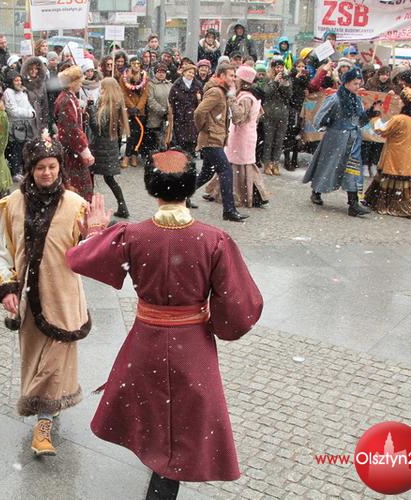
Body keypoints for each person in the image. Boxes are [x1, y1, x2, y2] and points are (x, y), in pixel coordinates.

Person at [66, 151, 263, 500]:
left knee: (153, 408)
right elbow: (239, 307)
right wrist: (216, 319)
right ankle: (164, 482)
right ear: (190, 186)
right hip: (193, 343)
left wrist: (95, 230)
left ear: (150, 187)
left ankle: (158, 465)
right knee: (185, 416)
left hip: (146, 340)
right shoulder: (213, 239)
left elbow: (84, 258)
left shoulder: (133, 235)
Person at [0, 136, 91, 457]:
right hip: (28, 298)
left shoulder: (75, 204)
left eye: (52, 166)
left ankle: (43, 423)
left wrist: (95, 234)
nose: (47, 173)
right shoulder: (12, 204)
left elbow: (87, 255)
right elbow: (2, 249)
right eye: (40, 167)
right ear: (30, 169)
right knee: (35, 360)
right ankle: (48, 409)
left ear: (60, 168)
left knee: (55, 360)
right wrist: (7, 287)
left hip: (63, 297)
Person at [303, 68, 381, 217]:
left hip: (353, 140)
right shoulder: (334, 99)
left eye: (359, 83)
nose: (358, 86)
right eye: (355, 83)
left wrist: (371, 113)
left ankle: (353, 203)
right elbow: (319, 118)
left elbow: (358, 121)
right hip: (335, 139)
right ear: (346, 83)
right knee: (328, 165)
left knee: (352, 169)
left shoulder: (356, 100)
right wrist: (330, 126)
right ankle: (316, 191)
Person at [194, 64, 248, 221]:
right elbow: (199, 112)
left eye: (235, 76)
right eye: (231, 75)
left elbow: (233, 116)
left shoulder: (223, 91)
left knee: (206, 173)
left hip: (216, 138)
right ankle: (229, 210)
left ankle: (180, 195)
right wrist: (204, 128)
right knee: (226, 171)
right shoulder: (216, 92)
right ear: (222, 75)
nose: (234, 79)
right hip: (211, 139)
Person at [363, 88, 411, 218]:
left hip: (394, 154)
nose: (399, 101)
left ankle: (386, 204)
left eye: (401, 100)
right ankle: (405, 205)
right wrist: (410, 150)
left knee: (389, 176)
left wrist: (376, 115)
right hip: (408, 156)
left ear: (405, 102)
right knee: (403, 179)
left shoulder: (398, 119)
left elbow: (381, 130)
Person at [225, 65, 269, 208]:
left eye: (236, 77)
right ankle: (255, 195)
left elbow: (238, 118)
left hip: (242, 136)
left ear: (243, 80)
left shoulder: (246, 97)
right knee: (237, 164)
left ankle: (243, 196)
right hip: (246, 135)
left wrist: (231, 99)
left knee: (239, 166)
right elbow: (259, 113)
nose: (234, 80)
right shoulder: (253, 95)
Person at [89, 77, 131, 218]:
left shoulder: (108, 106)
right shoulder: (115, 103)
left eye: (102, 87)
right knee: (109, 179)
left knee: (91, 175)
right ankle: (122, 206)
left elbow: (97, 127)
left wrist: (91, 108)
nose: (100, 90)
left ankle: (90, 205)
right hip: (109, 145)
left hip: (101, 146)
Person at [55, 65, 96, 200]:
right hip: (72, 152)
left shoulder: (68, 98)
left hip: (72, 150)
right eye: (79, 81)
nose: (81, 84)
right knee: (77, 190)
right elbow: (72, 130)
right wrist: (84, 151)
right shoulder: (67, 101)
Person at [3, 71, 36, 181]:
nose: (19, 82)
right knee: (15, 149)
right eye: (16, 80)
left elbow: (28, 106)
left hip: (24, 125)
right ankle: (15, 171)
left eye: (20, 80)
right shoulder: (8, 92)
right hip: (14, 125)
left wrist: (32, 112)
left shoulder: (22, 92)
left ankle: (23, 169)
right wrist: (28, 113)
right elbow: (13, 111)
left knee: (24, 148)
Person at [261, 58, 292, 175]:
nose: (279, 69)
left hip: (282, 114)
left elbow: (289, 96)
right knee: (268, 140)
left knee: (279, 141)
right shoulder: (267, 78)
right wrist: (274, 82)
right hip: (269, 113)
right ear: (273, 68)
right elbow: (266, 93)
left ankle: (275, 163)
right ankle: (266, 163)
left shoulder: (287, 78)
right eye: (277, 67)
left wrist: (285, 85)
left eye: (281, 67)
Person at [119, 57, 150, 169]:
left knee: (137, 133)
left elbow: (145, 94)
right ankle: (127, 155)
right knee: (129, 134)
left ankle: (134, 155)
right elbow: (123, 93)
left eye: (138, 64)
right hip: (128, 110)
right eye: (134, 64)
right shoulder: (124, 77)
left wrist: (138, 107)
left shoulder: (144, 77)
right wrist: (131, 107)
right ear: (130, 65)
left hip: (140, 110)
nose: (136, 66)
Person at [168, 63, 203, 155]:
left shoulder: (198, 85)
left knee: (192, 137)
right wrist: (175, 112)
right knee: (180, 138)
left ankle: (190, 154)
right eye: (189, 72)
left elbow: (202, 100)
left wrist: (199, 99)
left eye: (193, 73)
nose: (191, 74)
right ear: (184, 72)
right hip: (180, 115)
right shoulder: (177, 84)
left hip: (192, 115)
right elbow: (171, 99)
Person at [283, 59, 309, 171]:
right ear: (295, 67)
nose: (301, 69)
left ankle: (294, 158)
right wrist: (296, 79)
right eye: (299, 66)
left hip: (300, 109)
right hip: (292, 109)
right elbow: (290, 92)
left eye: (303, 66)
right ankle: (287, 160)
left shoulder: (305, 78)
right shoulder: (291, 78)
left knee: (298, 135)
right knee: (289, 135)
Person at [145, 64, 171, 155]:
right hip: (154, 119)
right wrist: (162, 111)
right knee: (154, 142)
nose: (161, 74)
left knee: (165, 140)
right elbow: (150, 100)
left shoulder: (169, 85)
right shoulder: (150, 85)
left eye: (163, 72)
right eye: (159, 72)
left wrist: (169, 112)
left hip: (167, 119)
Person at [21, 56, 49, 136]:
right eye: (31, 69)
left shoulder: (42, 84)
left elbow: (45, 105)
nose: (34, 71)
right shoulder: (23, 84)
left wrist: (45, 124)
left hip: (39, 119)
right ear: (27, 70)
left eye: (36, 69)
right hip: (28, 119)